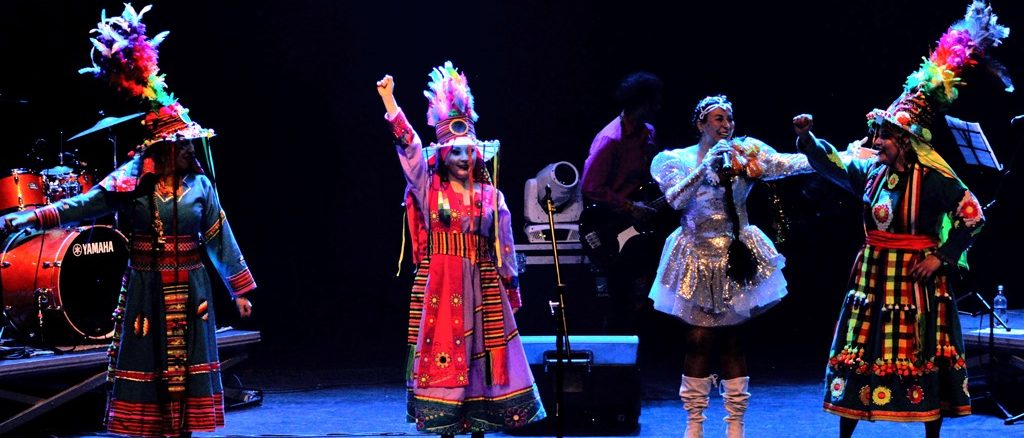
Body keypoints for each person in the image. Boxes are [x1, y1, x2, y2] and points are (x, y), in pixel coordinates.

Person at [1, 6, 256, 437]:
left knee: (189, 365)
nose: (189, 149)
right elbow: (81, 206)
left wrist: (239, 289)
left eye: (189, 143)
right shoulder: (133, 181)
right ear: (162, 148)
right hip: (147, 285)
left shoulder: (200, 186)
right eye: (181, 144)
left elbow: (219, 235)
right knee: (149, 361)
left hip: (192, 283)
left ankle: (183, 430)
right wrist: (27, 217)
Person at [791, 3, 1008, 436]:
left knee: (921, 350)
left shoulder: (935, 179)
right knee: (862, 348)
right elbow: (834, 165)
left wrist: (941, 257)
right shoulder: (872, 171)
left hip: (916, 279)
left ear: (908, 140)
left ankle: (930, 430)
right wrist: (807, 139)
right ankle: (848, 428)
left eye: (887, 135)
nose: (878, 141)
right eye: (880, 134)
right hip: (874, 276)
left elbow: (973, 215)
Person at [376, 62, 545, 438]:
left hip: (482, 284)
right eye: (455, 153)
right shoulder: (429, 188)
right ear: (443, 157)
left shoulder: (492, 195)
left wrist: (511, 287)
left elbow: (504, 247)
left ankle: (481, 422)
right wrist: (390, 102)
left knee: (483, 350)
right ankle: (447, 425)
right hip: (442, 283)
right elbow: (410, 149)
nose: (464, 158)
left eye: (469, 152)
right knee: (447, 349)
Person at [648, 95, 811, 437]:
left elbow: (789, 163)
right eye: (718, 119)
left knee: (732, 339)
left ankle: (735, 424)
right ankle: (694, 423)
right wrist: (705, 166)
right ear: (701, 124)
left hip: (734, 254)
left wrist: (837, 154)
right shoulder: (675, 159)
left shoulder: (745, 153)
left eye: (729, 119)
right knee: (697, 338)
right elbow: (675, 200)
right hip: (694, 253)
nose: (726, 125)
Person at [580, 71, 667, 333]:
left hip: (640, 223)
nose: (657, 108)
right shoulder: (610, 138)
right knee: (621, 294)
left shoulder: (648, 133)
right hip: (612, 225)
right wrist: (629, 207)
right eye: (652, 102)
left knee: (647, 288)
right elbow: (590, 186)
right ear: (639, 103)